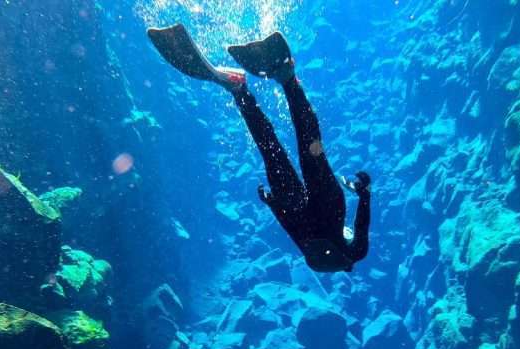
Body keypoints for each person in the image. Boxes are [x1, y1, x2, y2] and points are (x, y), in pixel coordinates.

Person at [148, 24, 371, 272]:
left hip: (325, 207)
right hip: (298, 214)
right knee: (270, 148)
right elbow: (295, 231)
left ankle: (286, 79)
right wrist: (273, 205)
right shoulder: (325, 259)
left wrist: (364, 194)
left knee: (310, 147)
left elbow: (358, 227)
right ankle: (240, 90)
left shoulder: (355, 253)